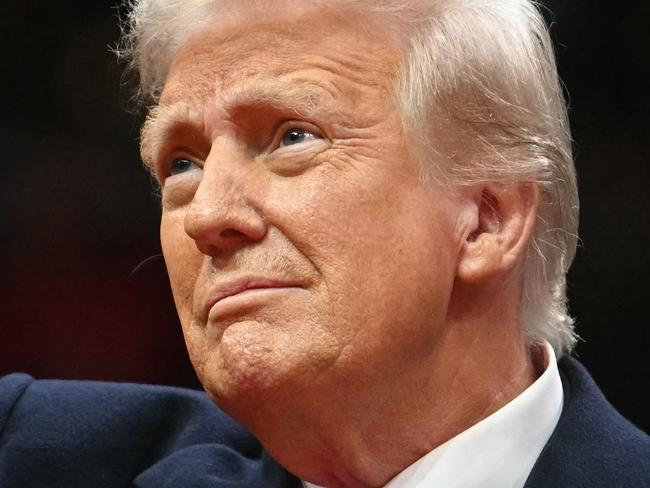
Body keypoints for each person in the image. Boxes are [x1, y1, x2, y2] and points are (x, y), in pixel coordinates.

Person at [1, 0, 647, 487]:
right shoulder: (39, 450)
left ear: (486, 221)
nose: (207, 215)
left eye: (291, 137)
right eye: (181, 164)